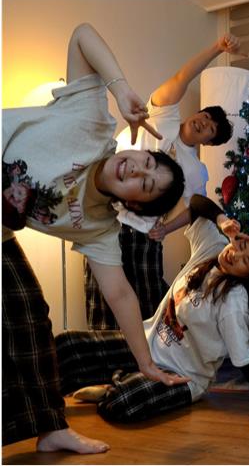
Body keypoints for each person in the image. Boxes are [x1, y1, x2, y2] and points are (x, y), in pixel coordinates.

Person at [2, 23, 188, 454]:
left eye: (144, 185)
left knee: (30, 316)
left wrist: (145, 362)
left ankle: (50, 426)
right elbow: (82, 35)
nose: (135, 169)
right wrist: (120, 89)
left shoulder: (99, 226)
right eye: (146, 162)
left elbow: (120, 294)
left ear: (134, 205)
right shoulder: (91, 120)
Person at [55, 194, 249, 422]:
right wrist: (223, 221)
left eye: (245, 261)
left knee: (121, 404)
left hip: (181, 375)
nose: (235, 254)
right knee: (66, 345)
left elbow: (243, 358)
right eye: (242, 245)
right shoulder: (213, 246)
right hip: (145, 345)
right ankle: (120, 379)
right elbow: (197, 203)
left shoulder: (233, 300)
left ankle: (113, 385)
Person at [85, 34, 240, 331]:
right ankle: (102, 356)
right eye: (205, 116)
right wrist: (216, 47)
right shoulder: (162, 114)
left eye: (210, 129)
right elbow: (183, 76)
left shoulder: (195, 170)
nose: (203, 123)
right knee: (102, 300)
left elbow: (194, 207)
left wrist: (166, 229)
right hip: (106, 217)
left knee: (148, 302)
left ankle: (149, 354)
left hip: (144, 233)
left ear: (208, 141)